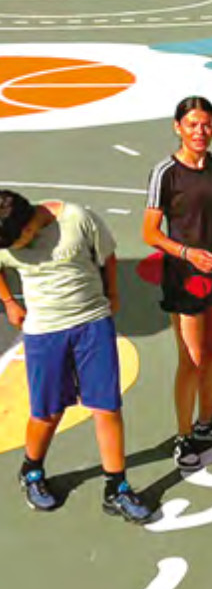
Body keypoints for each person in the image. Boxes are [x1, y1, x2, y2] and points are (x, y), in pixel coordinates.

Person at [0, 190, 153, 522]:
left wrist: (113, 292)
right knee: (47, 411)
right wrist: (9, 302)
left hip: (92, 325)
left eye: (17, 241)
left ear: (28, 225)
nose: (14, 249)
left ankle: (117, 488)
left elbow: (107, 256)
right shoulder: (7, 239)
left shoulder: (77, 219)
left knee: (107, 408)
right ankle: (32, 471)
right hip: (44, 333)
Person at [143, 97, 212, 471]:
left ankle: (207, 422)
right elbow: (150, 232)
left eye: (206, 124)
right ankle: (184, 434)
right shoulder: (165, 173)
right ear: (177, 127)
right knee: (191, 358)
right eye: (192, 124)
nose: (200, 131)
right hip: (185, 277)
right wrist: (188, 254)